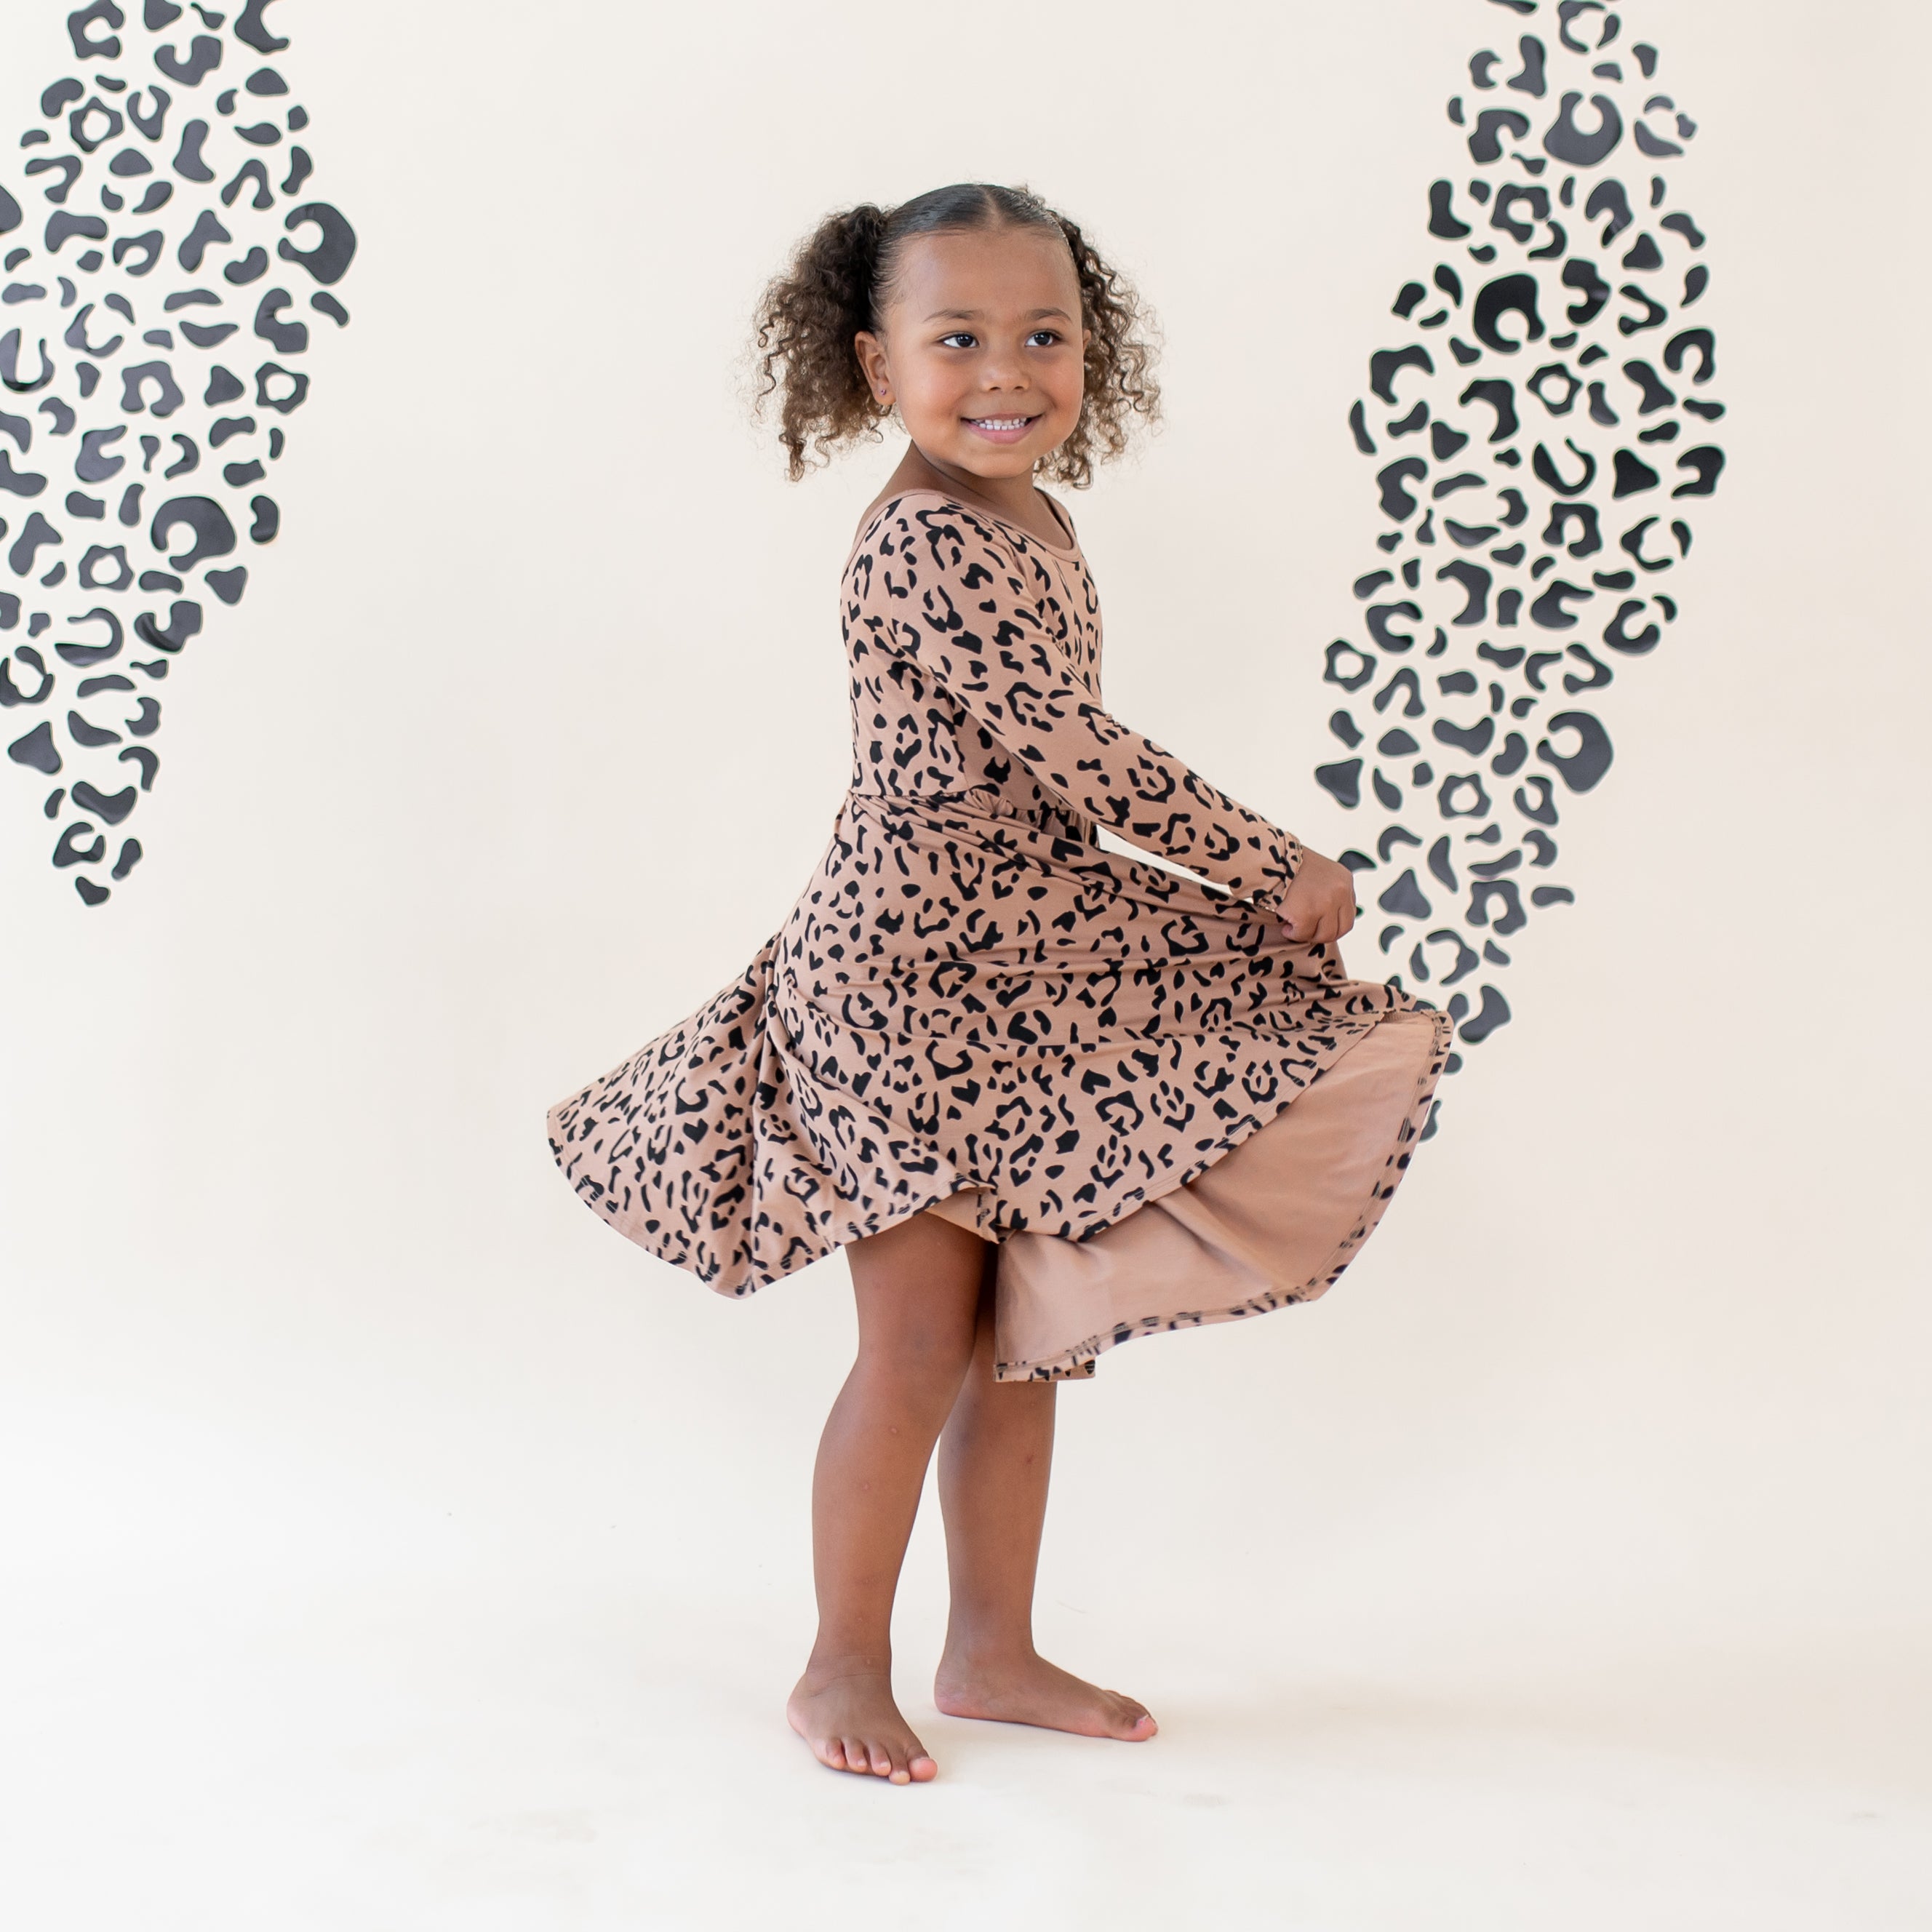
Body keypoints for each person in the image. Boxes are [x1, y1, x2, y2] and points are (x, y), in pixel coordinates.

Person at [548, 183, 1448, 1785]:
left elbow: (1048, 796)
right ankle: (839, 1659)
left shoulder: (1025, 512)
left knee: (1018, 1341)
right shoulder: (918, 543)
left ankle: (991, 1642)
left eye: (1045, 335)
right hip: (901, 986)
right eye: (955, 338)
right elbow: (1082, 757)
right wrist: (1266, 864)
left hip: (1020, 963)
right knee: (912, 1343)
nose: (1004, 372)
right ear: (872, 362)